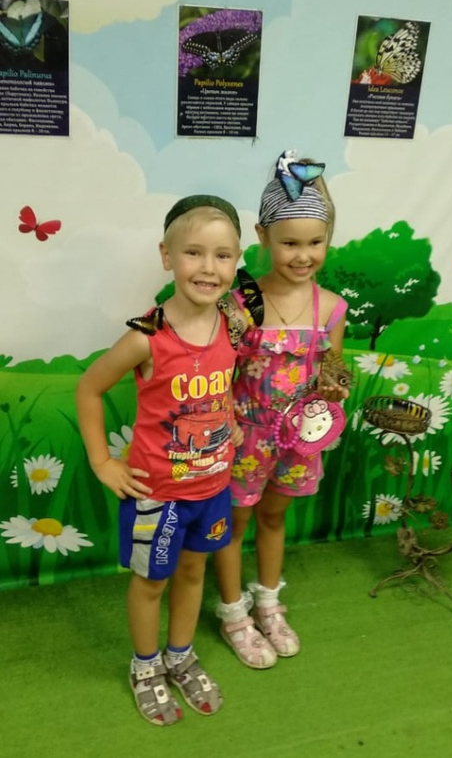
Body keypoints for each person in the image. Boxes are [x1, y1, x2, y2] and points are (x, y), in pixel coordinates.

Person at [76, 195, 247, 726]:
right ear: (166, 255)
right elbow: (89, 389)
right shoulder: (145, 338)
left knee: (194, 572)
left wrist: (230, 419)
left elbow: (222, 384)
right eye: (193, 252)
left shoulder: (234, 324)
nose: (208, 267)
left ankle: (180, 656)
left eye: (222, 255)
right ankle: (146, 666)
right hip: (158, 495)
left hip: (212, 489)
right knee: (152, 583)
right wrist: (103, 461)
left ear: (237, 261)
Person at [214, 150, 350, 669]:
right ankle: (234, 615)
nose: (303, 255)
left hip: (297, 441)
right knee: (235, 521)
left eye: (315, 242)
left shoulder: (331, 307)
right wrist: (224, 421)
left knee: (274, 516)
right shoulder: (239, 303)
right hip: (244, 437)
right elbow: (218, 372)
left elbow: (334, 366)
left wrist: (336, 386)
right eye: (290, 242)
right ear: (263, 236)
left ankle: (268, 605)